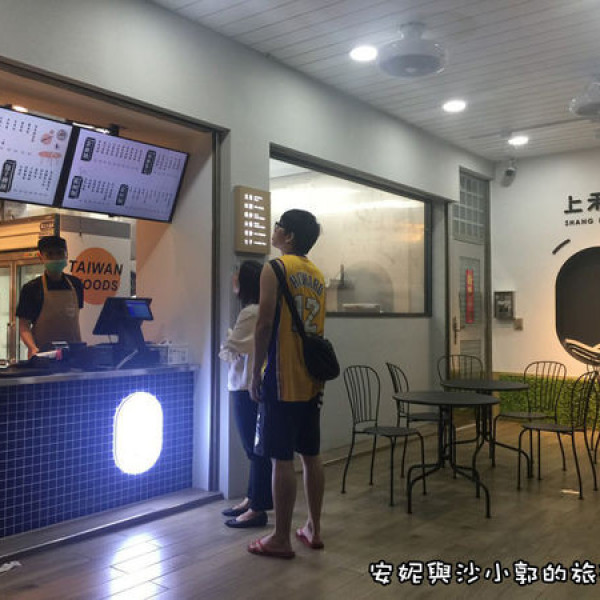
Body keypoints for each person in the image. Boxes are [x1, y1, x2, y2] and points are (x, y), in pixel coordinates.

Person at [249, 209, 326, 560]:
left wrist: (255, 372)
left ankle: (280, 537)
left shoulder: (275, 268)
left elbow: (264, 324)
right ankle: (313, 528)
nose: (274, 230)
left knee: (281, 458)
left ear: (289, 236)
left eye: (278, 225)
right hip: (312, 379)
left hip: (282, 377)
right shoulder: (317, 274)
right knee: (311, 455)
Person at [219, 260, 273, 528]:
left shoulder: (250, 313)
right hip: (251, 385)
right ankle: (252, 499)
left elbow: (230, 349)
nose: (233, 280)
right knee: (256, 448)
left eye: (237, 276)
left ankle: (258, 508)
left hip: (245, 386)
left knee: (254, 450)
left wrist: (228, 342)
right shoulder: (261, 309)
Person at [16, 235, 84, 358]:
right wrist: (32, 348)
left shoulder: (76, 284)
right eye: (50, 254)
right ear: (40, 257)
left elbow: (74, 320)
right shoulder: (31, 288)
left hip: (73, 355)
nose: (56, 258)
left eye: (59, 253)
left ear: (66, 255)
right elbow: (24, 326)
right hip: (43, 356)